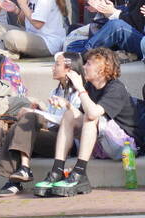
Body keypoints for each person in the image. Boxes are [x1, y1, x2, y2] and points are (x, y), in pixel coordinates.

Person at [32, 47, 137, 197]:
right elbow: (78, 116)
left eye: (88, 64)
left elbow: (93, 114)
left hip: (123, 147)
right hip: (100, 141)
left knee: (90, 117)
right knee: (69, 115)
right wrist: (67, 105)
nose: (83, 67)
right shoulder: (91, 87)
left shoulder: (116, 88)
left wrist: (79, 87)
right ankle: (57, 170)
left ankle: (80, 172)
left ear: (102, 69)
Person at [0, 52, 85, 196]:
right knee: (21, 126)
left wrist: (38, 114)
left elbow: (71, 122)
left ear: (69, 68)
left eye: (57, 64)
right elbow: (50, 121)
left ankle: (15, 180)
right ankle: (21, 171)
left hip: (68, 143)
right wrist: (40, 110)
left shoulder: (80, 93)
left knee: (25, 121)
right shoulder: (55, 91)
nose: (53, 68)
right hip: (52, 136)